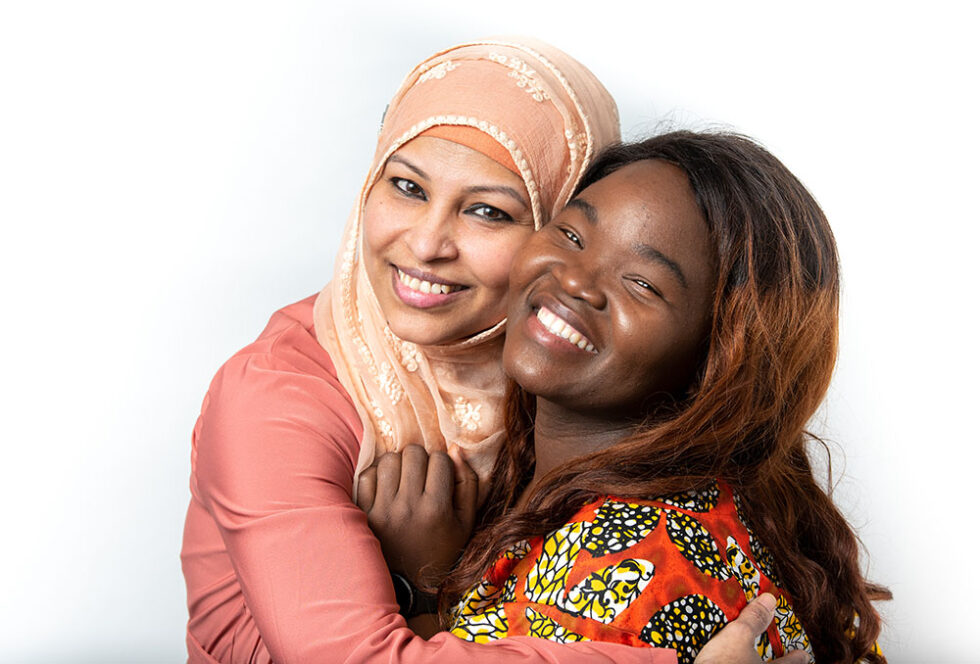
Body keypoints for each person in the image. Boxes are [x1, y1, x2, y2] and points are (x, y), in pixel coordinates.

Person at [182, 38, 788, 664]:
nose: (426, 244)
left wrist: (425, 589)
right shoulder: (274, 396)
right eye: (407, 186)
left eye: (487, 212)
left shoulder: (562, 384)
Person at [359, 132, 887, 663]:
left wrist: (417, 587)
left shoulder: (626, 563)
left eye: (642, 283)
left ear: (721, 354)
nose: (575, 281)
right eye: (572, 234)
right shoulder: (585, 480)